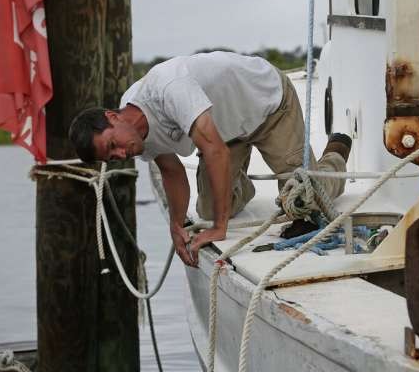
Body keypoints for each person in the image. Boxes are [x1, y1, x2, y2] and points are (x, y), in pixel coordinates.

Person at [69, 51, 351, 267]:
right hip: (224, 132)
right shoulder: (134, 135)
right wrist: (176, 225)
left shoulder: (168, 88)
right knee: (207, 210)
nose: (121, 154)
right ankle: (239, 185)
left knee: (303, 200)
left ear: (112, 116)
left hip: (267, 105)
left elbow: (215, 151)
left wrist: (220, 228)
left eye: (113, 144)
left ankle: (335, 154)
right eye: (112, 157)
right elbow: (171, 172)